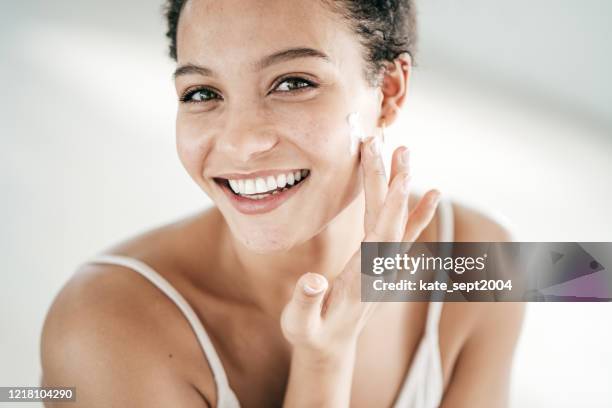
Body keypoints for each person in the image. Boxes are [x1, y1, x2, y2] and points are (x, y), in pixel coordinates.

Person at [41, 0, 525, 406]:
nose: (241, 142)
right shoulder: (101, 325)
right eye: (202, 92)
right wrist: (325, 357)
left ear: (390, 90)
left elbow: (593, 276)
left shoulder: (492, 256)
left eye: (293, 82)